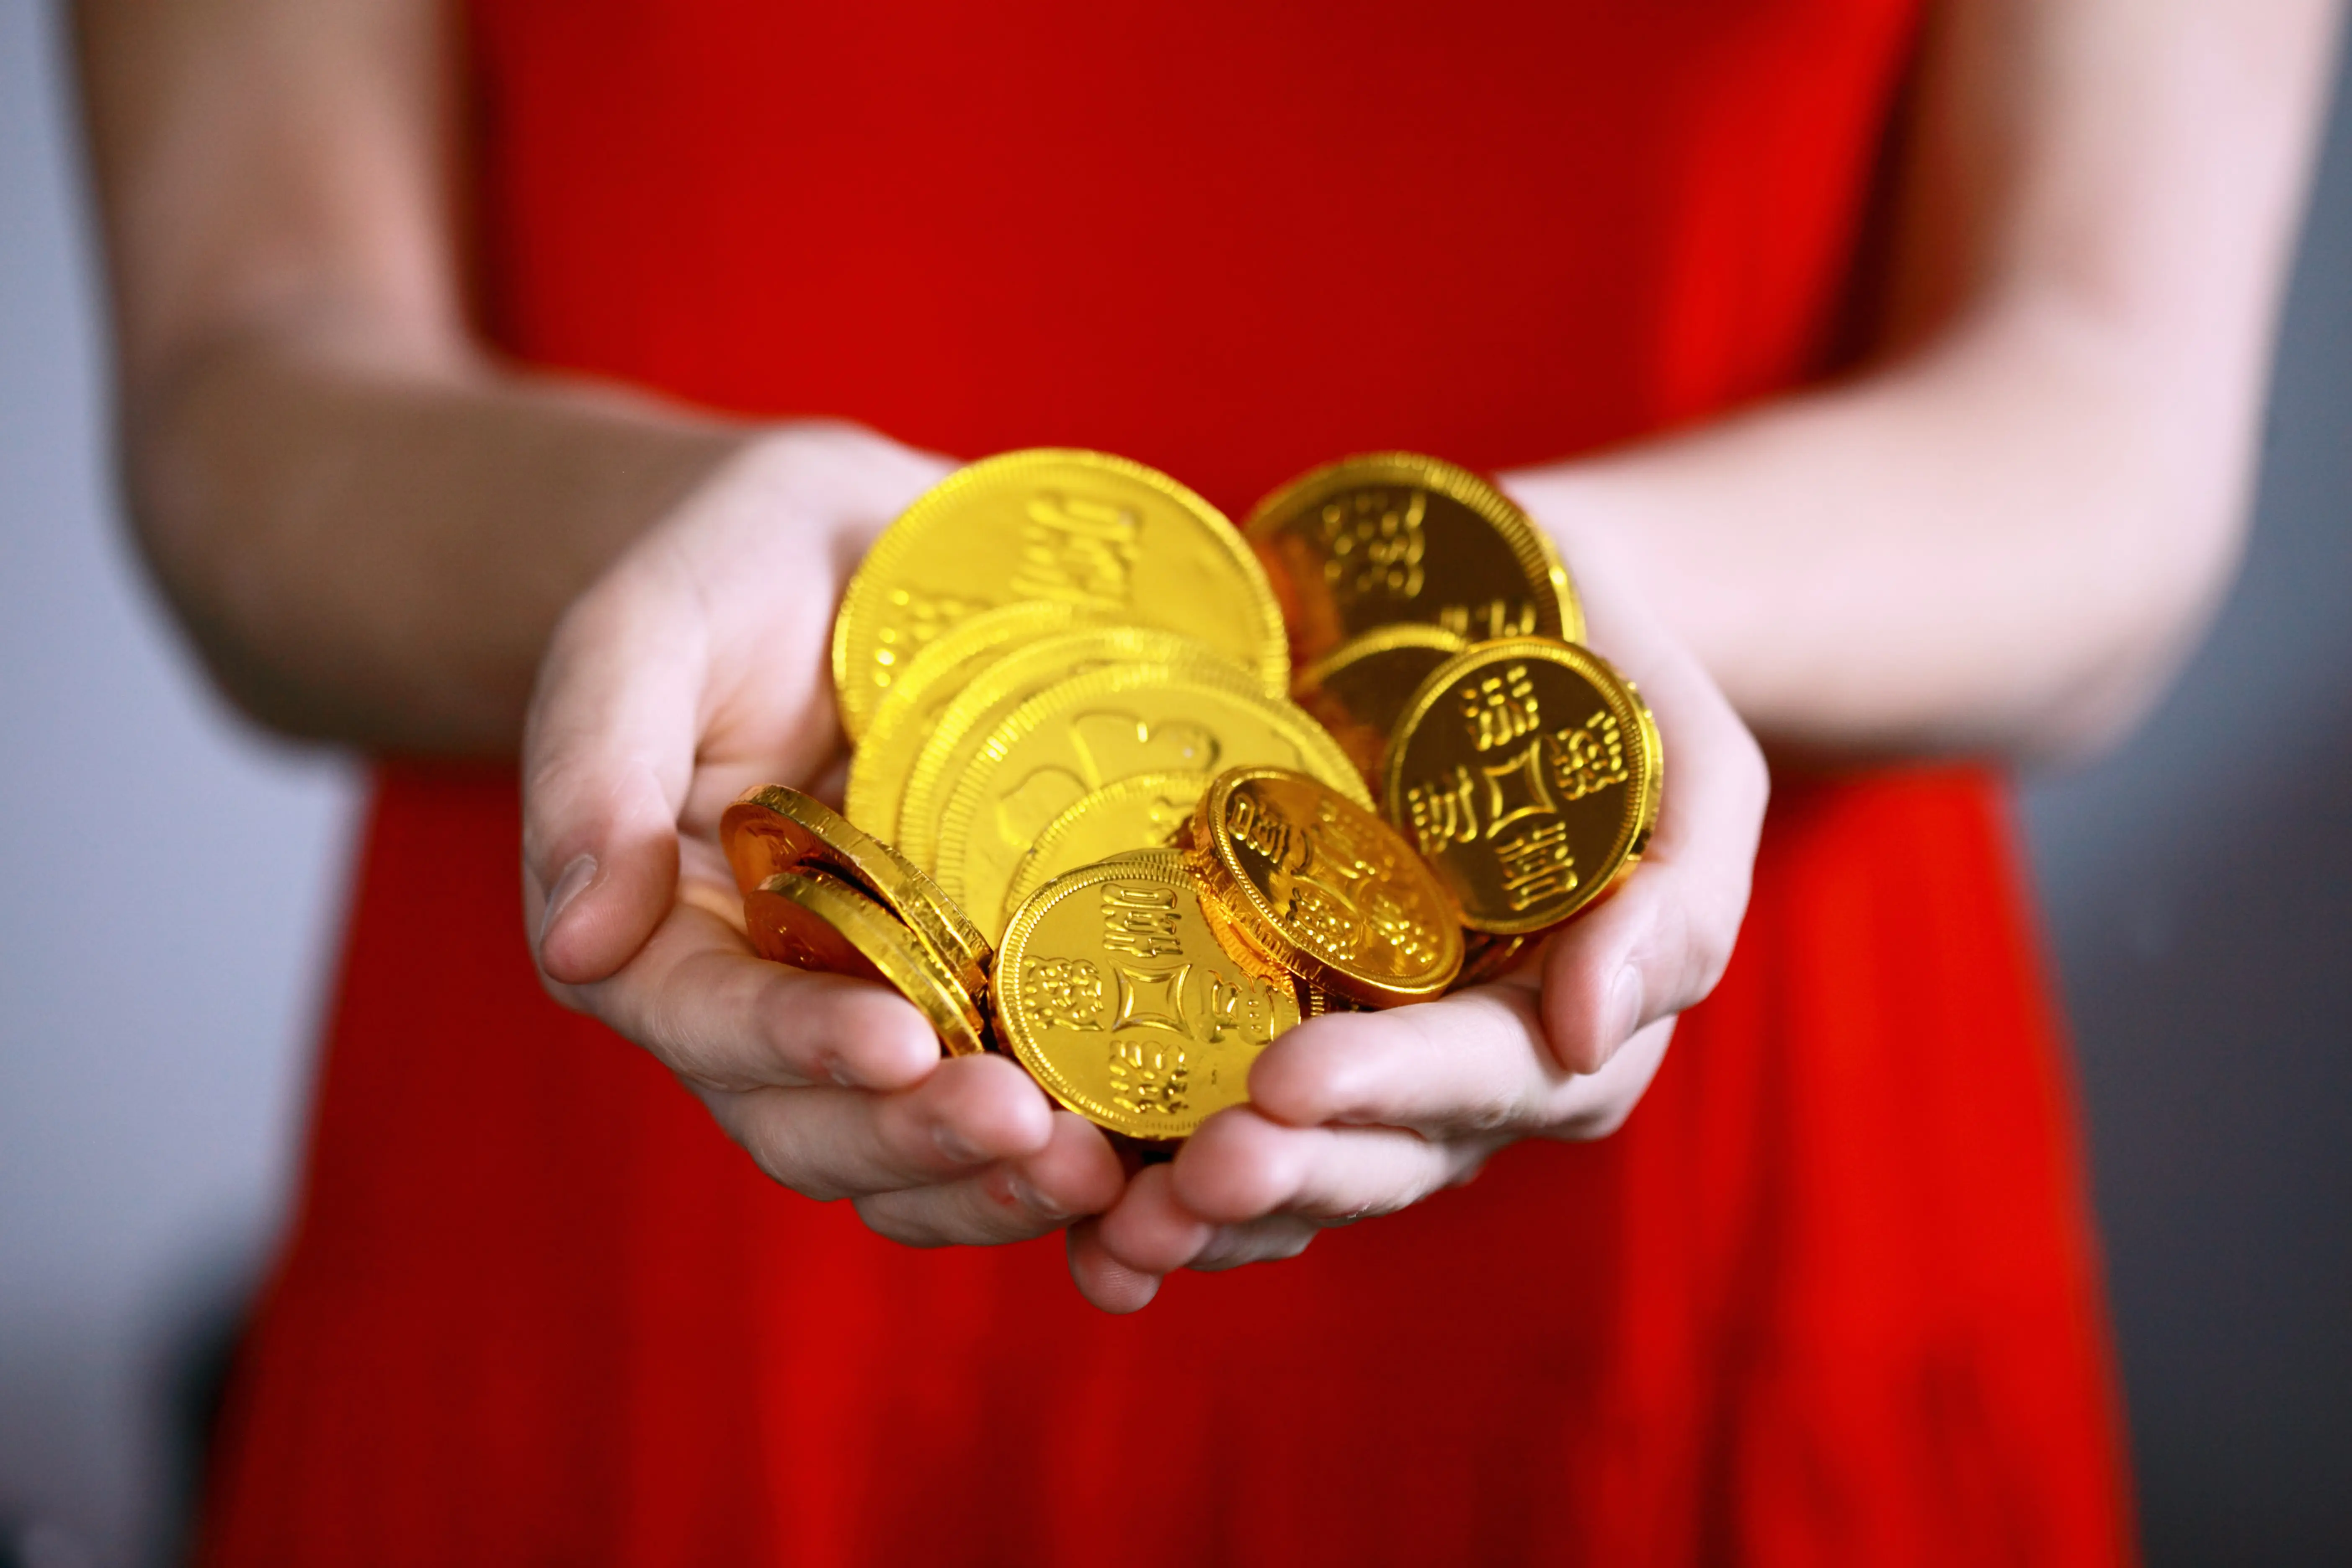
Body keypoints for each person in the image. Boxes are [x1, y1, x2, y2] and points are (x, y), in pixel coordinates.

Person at [75, 0, 2339, 1560]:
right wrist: (673, 545)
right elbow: (245, 389)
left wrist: (1543, 620)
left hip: (1698, 1250)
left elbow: (2111, 427)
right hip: (656, 1161)